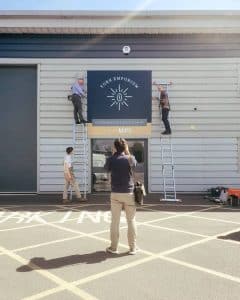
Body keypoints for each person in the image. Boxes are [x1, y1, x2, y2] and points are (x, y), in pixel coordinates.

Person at [104, 138, 138, 255]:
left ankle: (113, 247)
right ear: (125, 147)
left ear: (114, 147)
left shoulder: (111, 159)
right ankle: (132, 248)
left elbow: (106, 169)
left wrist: (114, 155)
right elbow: (134, 165)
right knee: (131, 220)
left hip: (115, 193)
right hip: (128, 192)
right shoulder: (130, 158)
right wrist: (127, 152)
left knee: (115, 221)